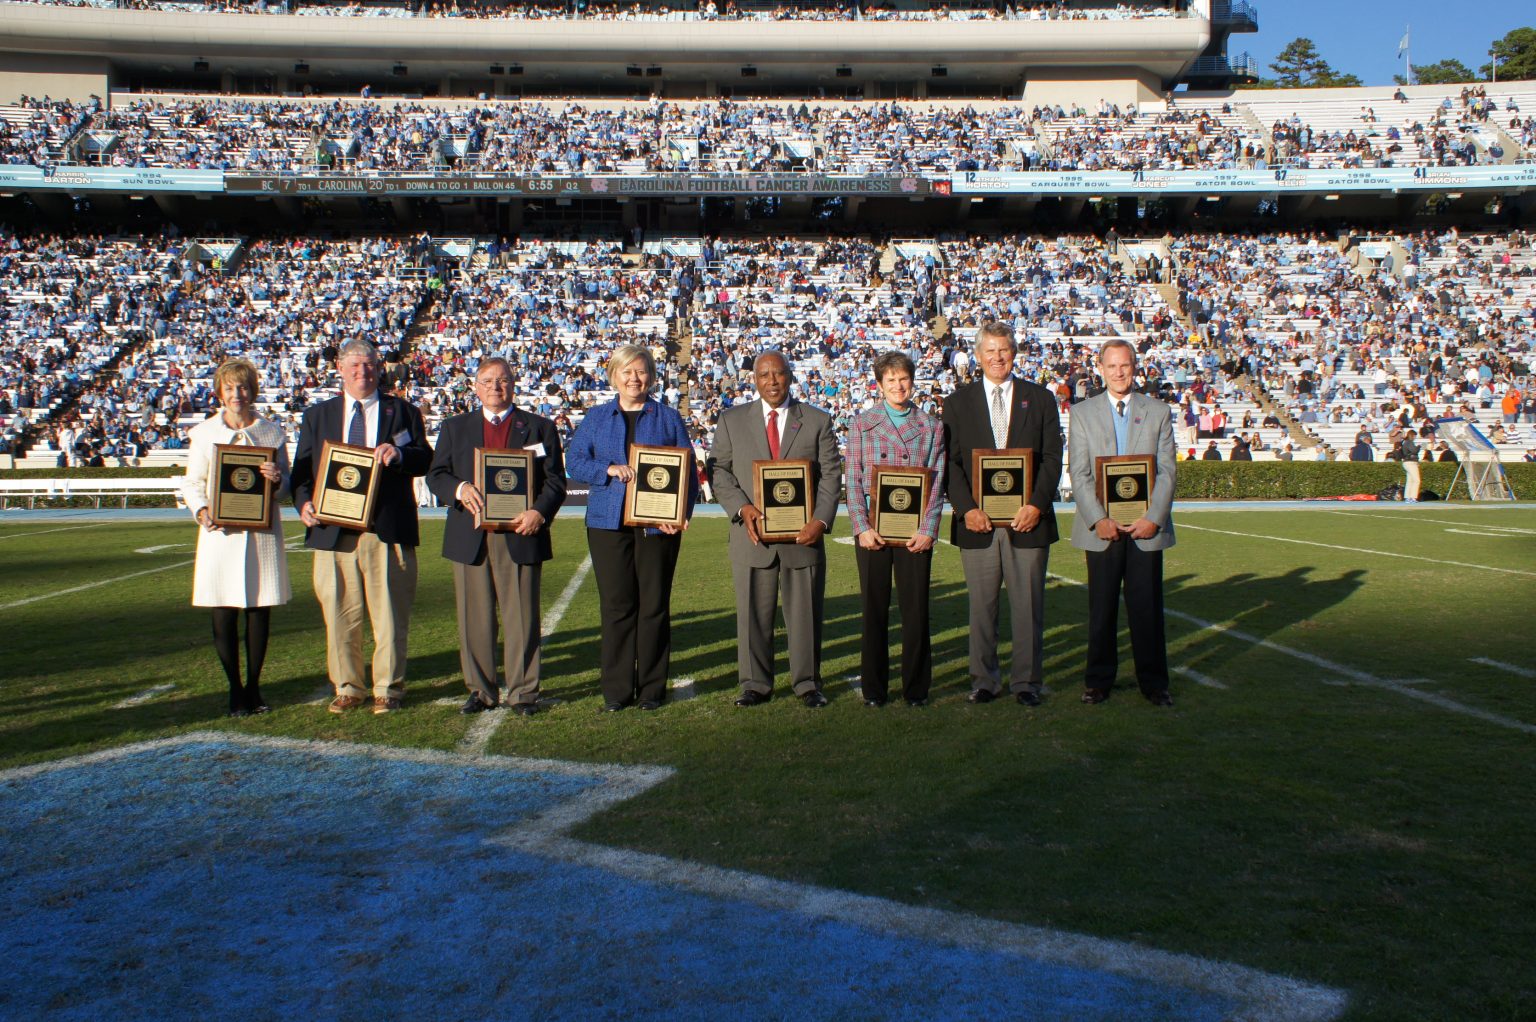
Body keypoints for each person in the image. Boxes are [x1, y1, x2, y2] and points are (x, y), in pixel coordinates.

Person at [291, 339, 432, 715]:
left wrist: (399, 454)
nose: (362, 372)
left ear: (378, 368)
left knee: (390, 616)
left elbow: (425, 458)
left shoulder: (402, 411)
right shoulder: (318, 415)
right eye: (354, 365)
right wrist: (304, 503)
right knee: (340, 615)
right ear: (340, 368)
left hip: (384, 530)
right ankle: (348, 686)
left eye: (369, 365)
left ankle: (388, 687)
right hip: (333, 531)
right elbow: (302, 472)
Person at [427, 357, 566, 717]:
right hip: (470, 535)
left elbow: (555, 481)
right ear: (475, 387)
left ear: (513, 384)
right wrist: (459, 489)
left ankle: (523, 692)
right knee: (474, 619)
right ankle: (480, 690)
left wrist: (539, 512)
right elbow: (436, 475)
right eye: (487, 381)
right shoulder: (455, 427)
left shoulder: (539, 427)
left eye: (502, 380)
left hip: (521, 533)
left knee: (522, 618)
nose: (495, 387)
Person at [708, 350, 842, 709]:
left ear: (790, 376)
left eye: (779, 373)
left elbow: (831, 475)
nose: (772, 381)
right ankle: (754, 684)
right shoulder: (732, 420)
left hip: (803, 536)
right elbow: (719, 471)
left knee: (806, 616)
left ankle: (808, 683)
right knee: (752, 616)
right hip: (752, 537)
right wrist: (742, 508)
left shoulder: (817, 420)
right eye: (764, 375)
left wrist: (821, 520)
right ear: (754, 379)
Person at [566, 344, 695, 712]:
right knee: (617, 606)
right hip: (607, 524)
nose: (634, 378)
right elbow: (574, 461)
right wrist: (606, 469)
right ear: (614, 376)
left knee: (654, 606)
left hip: (657, 526)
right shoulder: (596, 417)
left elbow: (687, 471)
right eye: (626, 371)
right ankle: (617, 691)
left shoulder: (668, 418)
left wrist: (679, 514)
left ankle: (652, 689)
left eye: (640, 371)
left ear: (651, 376)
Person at [941, 322, 1064, 707]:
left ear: (1014, 353)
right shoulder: (957, 402)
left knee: (1028, 607)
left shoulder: (1040, 399)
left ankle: (1026, 682)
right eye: (990, 351)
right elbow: (950, 463)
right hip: (977, 523)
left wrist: (1036, 505)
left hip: (1028, 521)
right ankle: (984, 681)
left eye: (1004, 350)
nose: (997, 357)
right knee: (981, 608)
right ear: (977, 356)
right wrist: (967, 509)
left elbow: (1052, 458)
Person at [179, 359, 291, 717]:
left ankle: (254, 687)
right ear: (220, 392)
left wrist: (276, 480)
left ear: (252, 391)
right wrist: (201, 510)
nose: (236, 394)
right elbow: (192, 482)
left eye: (242, 387)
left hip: (261, 535)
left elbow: (286, 486)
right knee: (223, 610)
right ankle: (235, 689)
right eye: (229, 388)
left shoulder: (272, 433)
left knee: (259, 610)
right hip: (221, 535)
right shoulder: (204, 434)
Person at [1068, 339, 1176, 707]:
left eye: (1125, 365)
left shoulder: (1158, 411)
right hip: (1103, 530)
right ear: (1100, 369)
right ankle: (1098, 681)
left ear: (1135, 367)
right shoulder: (1082, 413)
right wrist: (1098, 519)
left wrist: (1153, 518)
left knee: (1147, 609)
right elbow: (1079, 473)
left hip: (1145, 529)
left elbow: (1167, 471)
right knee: (1102, 609)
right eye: (1111, 366)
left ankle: (1154, 683)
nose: (1118, 372)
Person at [845, 351, 945, 708]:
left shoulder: (931, 425)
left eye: (903, 379)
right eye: (891, 380)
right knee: (874, 611)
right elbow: (853, 479)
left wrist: (928, 528)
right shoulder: (862, 423)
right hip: (874, 529)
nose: (898, 386)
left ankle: (916, 689)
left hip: (914, 530)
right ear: (879, 384)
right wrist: (861, 526)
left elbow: (937, 481)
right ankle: (874, 689)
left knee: (915, 611)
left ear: (912, 381)